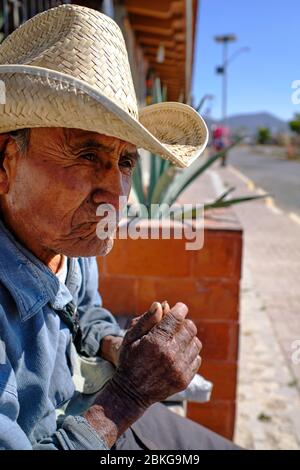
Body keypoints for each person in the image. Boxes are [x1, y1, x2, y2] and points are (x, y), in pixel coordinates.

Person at [0, 4, 239, 450]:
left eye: (125, 160)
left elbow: (83, 313)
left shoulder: (66, 247)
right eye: (87, 154)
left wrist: (116, 345)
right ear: (4, 161)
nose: (115, 191)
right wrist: (129, 394)